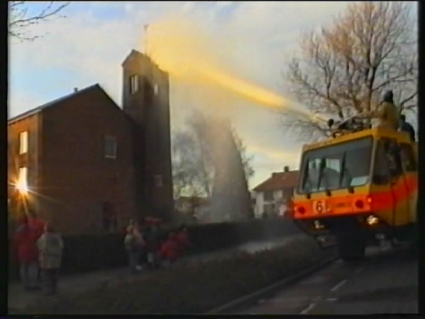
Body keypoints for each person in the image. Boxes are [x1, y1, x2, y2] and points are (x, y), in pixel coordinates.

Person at [37, 223, 64, 295]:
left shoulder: (44, 238)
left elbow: (41, 246)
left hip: (46, 259)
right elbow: (61, 247)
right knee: (54, 275)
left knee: (46, 276)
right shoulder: (58, 238)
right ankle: (54, 289)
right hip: (56, 259)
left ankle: (47, 290)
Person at [15, 215, 40, 290]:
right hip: (31, 248)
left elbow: (16, 241)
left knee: (23, 267)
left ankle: (25, 284)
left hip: (22, 250)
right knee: (33, 267)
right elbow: (36, 237)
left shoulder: (18, 231)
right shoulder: (32, 229)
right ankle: (33, 284)